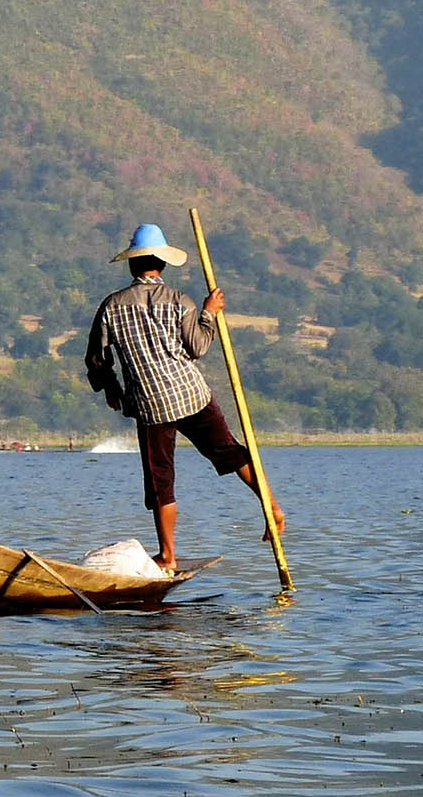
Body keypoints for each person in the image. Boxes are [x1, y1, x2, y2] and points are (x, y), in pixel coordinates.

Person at [85, 223, 285, 572]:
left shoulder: (112, 307)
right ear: (161, 265)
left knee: (161, 480)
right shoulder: (181, 302)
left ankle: (167, 555)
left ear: (132, 266)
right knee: (230, 452)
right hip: (191, 394)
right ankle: (271, 505)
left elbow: (96, 360)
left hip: (151, 404)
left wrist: (110, 388)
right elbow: (198, 347)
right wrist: (210, 313)